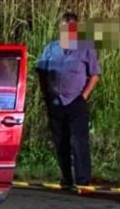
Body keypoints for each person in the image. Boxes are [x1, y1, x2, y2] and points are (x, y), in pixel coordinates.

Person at [36, 12, 101, 187]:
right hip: (56, 102)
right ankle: (66, 178)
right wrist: (46, 95)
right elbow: (41, 73)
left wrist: (84, 96)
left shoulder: (86, 48)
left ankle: (83, 180)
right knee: (60, 141)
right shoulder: (50, 49)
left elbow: (95, 75)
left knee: (79, 142)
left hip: (75, 101)